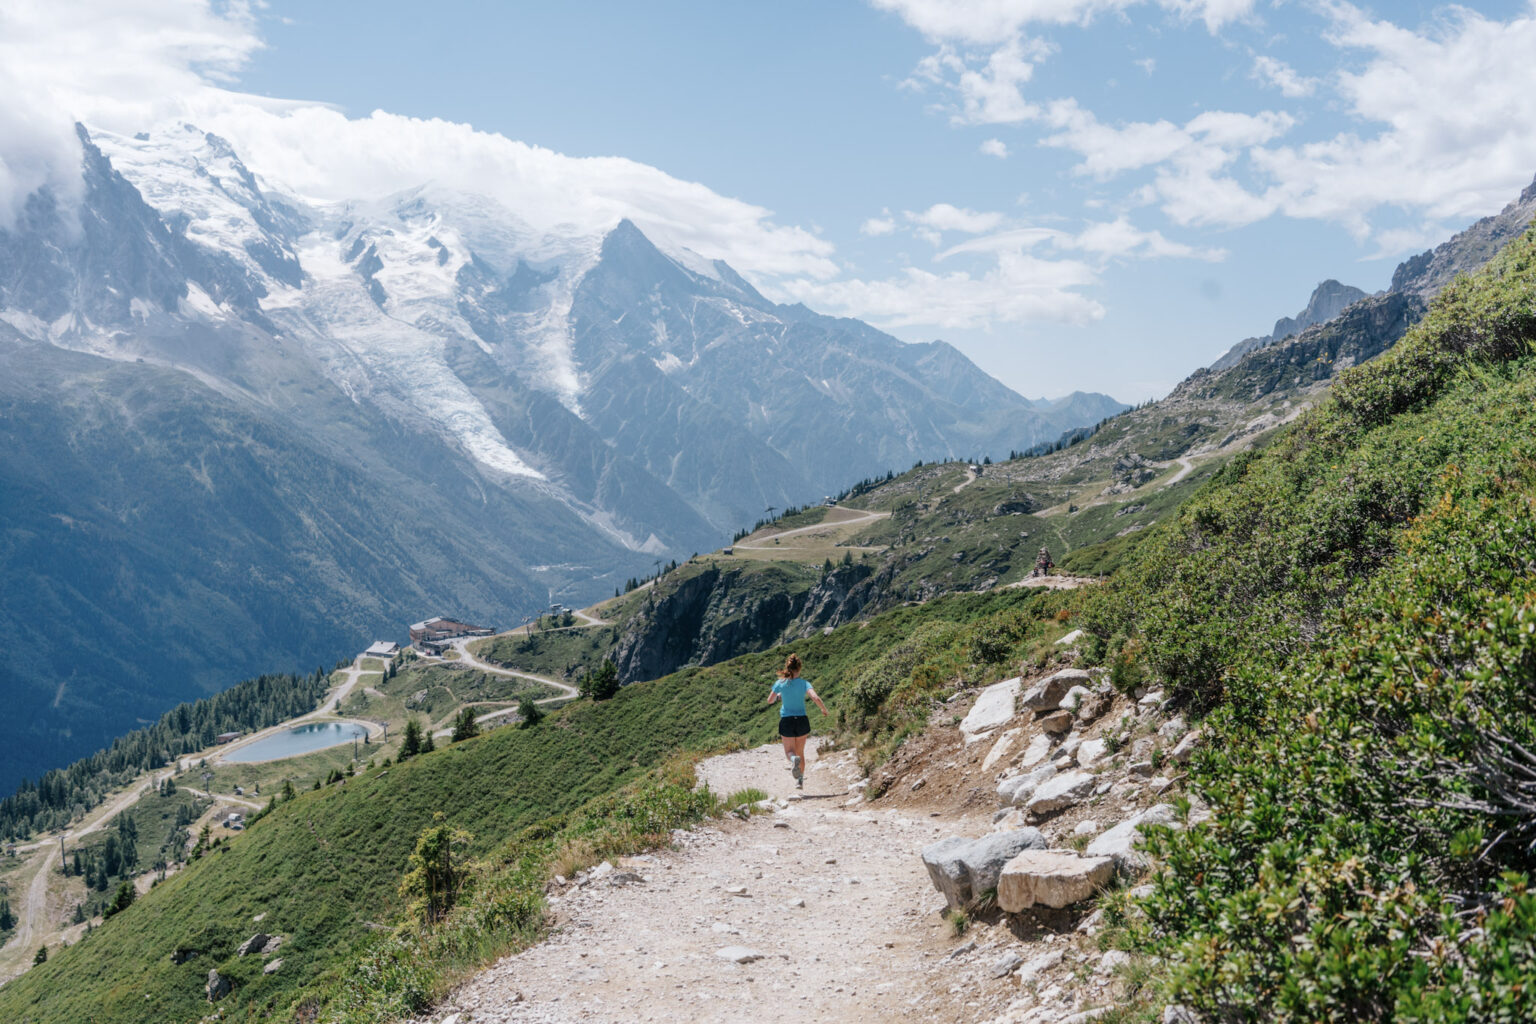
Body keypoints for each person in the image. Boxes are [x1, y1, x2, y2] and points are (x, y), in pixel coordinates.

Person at [766, 653, 827, 789]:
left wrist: (779, 696)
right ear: (799, 668)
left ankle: (793, 760)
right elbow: (815, 698)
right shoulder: (805, 683)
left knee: (790, 752)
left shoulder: (780, 683)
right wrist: (824, 710)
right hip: (802, 721)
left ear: (787, 668)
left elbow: (769, 700)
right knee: (801, 752)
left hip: (787, 721)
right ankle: (799, 780)